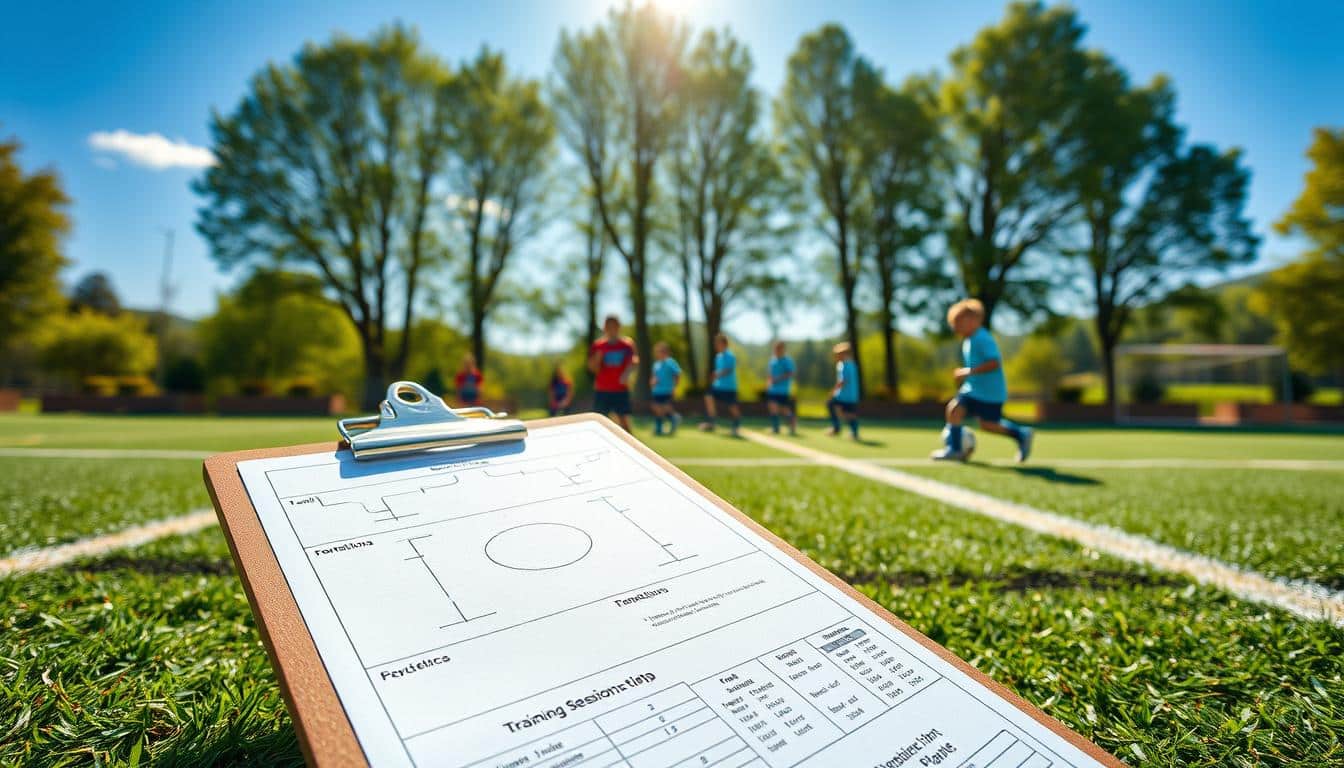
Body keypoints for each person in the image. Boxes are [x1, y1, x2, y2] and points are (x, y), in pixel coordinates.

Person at [932, 298, 1033, 462]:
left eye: (958, 322)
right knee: (954, 410)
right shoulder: (968, 341)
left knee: (988, 425)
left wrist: (967, 372)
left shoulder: (982, 338)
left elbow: (994, 363)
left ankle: (1021, 434)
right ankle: (954, 449)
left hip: (990, 392)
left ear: (973, 320)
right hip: (973, 390)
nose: (955, 327)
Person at [588, 315, 639, 432]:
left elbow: (635, 361)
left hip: (620, 389)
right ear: (604, 328)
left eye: (614, 326)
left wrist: (627, 373)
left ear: (619, 327)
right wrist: (597, 360)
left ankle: (629, 447)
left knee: (625, 422)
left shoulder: (627, 344)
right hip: (602, 389)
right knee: (600, 424)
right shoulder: (598, 345)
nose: (611, 329)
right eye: (608, 326)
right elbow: (592, 369)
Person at [701, 333, 741, 436]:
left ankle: (736, 426)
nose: (716, 345)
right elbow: (718, 371)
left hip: (729, 387)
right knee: (708, 396)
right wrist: (714, 378)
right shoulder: (717, 357)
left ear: (724, 344)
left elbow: (729, 370)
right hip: (718, 386)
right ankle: (712, 423)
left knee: (732, 407)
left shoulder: (730, 356)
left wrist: (717, 374)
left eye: (718, 343)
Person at [649, 342, 683, 436]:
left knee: (664, 407)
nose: (658, 354)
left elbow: (678, 374)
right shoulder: (656, 364)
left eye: (660, 352)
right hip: (657, 390)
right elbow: (654, 376)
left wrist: (675, 387)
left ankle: (673, 419)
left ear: (665, 352)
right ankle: (660, 428)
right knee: (657, 408)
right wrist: (652, 382)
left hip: (667, 389)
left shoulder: (670, 362)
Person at [827, 342, 860, 439]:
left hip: (845, 395)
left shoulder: (844, 365)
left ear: (844, 354)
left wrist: (833, 391)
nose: (836, 356)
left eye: (838, 354)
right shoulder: (851, 364)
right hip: (850, 395)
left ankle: (838, 428)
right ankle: (853, 432)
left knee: (834, 406)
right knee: (844, 411)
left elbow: (842, 381)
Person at [765, 340, 797, 436]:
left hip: (783, 390)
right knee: (772, 407)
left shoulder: (787, 360)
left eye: (779, 348)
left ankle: (792, 423)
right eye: (776, 348)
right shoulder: (772, 361)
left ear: (783, 349)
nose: (777, 350)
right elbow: (770, 375)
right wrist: (768, 384)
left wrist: (778, 379)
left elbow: (791, 373)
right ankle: (776, 428)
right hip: (773, 389)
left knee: (784, 410)